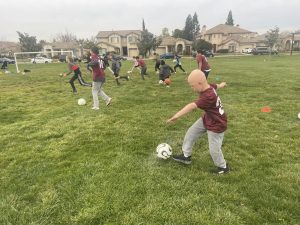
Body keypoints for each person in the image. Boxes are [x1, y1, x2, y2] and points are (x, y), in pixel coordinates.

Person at [167, 69, 229, 174]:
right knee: (191, 133)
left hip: (217, 124)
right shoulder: (209, 86)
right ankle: (186, 156)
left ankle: (223, 167)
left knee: (214, 149)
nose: (192, 89)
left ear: (200, 83)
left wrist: (176, 116)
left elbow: (192, 106)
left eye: (192, 86)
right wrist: (222, 84)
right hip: (208, 118)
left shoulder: (208, 96)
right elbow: (217, 86)